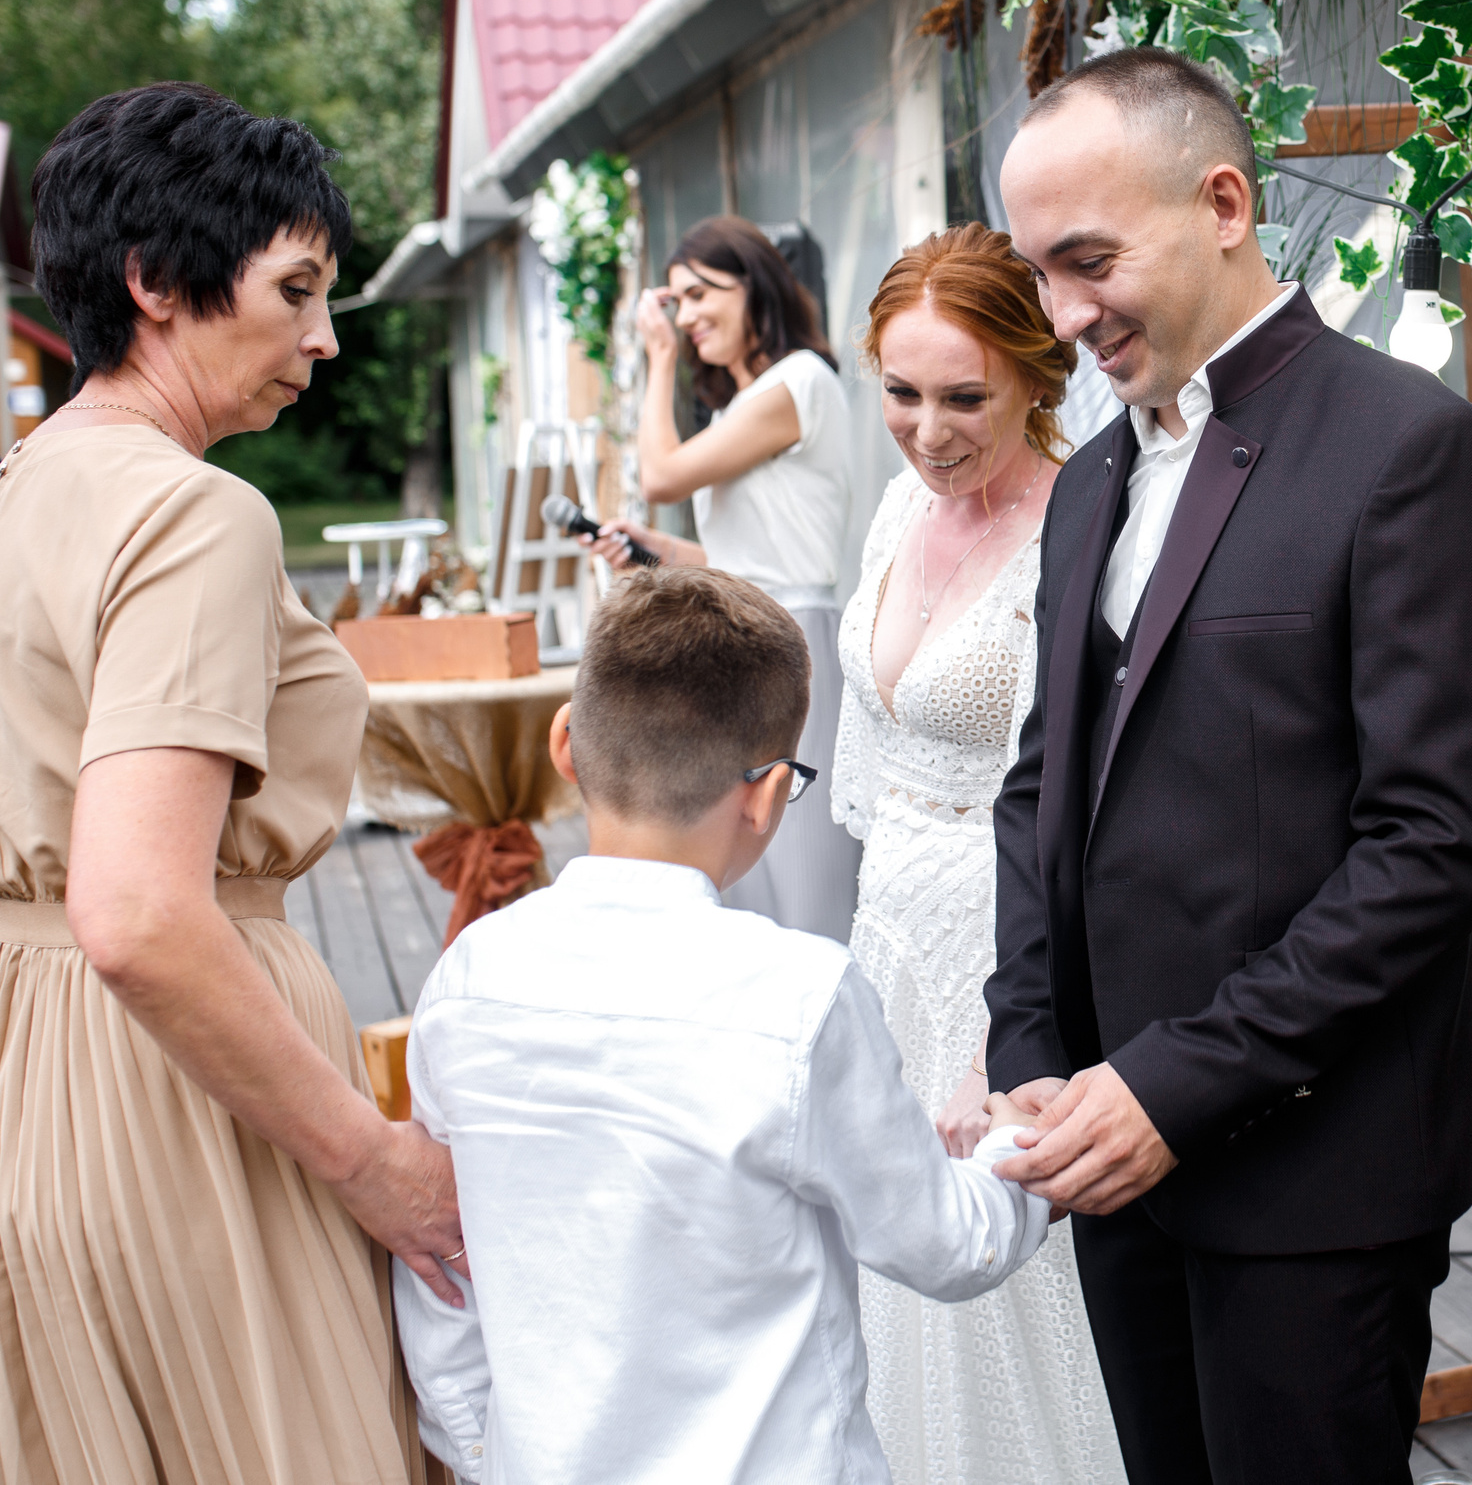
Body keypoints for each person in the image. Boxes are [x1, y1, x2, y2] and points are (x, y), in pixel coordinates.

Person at [984, 48, 1472, 1484]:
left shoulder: (1413, 447)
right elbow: (1044, 786)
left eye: (1089, 259)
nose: (1062, 315)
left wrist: (1171, 1084)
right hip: (1115, 1161)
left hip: (1319, 1168)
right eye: (1040, 271)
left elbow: (1438, 839)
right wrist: (1035, 1057)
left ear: (1223, 201)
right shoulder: (1091, 479)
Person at [0, 82, 461, 1482]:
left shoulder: (21, 488)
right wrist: (372, 1161)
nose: (324, 337)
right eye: (297, 288)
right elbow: (139, 908)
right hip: (180, 1102)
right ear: (153, 282)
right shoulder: (194, 510)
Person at [390, 565, 1053, 1484]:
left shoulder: (463, 983)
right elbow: (943, 1240)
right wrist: (1020, 1139)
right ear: (770, 791)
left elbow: (443, 1295)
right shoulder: (798, 996)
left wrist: (491, 1456)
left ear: (565, 744)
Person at [828, 222, 1125, 1485]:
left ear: (1038, 378)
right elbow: (867, 755)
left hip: (1002, 951)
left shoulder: (1085, 529)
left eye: (966, 397)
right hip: (885, 934)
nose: (929, 429)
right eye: (900, 393)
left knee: (1002, 1283)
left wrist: (1003, 1043)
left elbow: (1089, 806)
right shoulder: (899, 503)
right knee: (889, 1272)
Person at [580, 216, 859, 941]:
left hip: (795, 637)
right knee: (743, 871)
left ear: (757, 286)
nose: (687, 315)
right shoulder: (742, 405)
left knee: (806, 877)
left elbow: (660, 474)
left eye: (701, 294)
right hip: (746, 636)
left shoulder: (799, 380)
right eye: (674, 301)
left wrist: (658, 356)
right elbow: (748, 558)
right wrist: (663, 551)